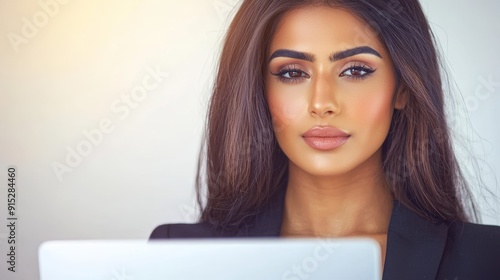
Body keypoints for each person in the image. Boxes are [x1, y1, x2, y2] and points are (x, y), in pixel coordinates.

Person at [151, 0, 500, 278]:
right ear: (259, 90)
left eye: (355, 70)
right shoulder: (176, 256)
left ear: (403, 87)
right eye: (292, 73)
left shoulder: (487, 259)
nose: (321, 104)